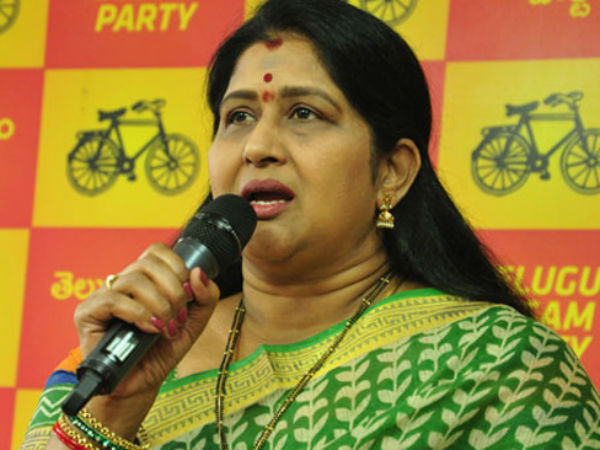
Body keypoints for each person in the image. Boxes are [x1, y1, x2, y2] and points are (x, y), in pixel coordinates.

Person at [22, 0, 600, 449]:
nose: (258, 146)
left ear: (392, 171)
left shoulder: (497, 363)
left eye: (304, 113)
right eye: (238, 116)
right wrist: (113, 410)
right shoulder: (113, 361)